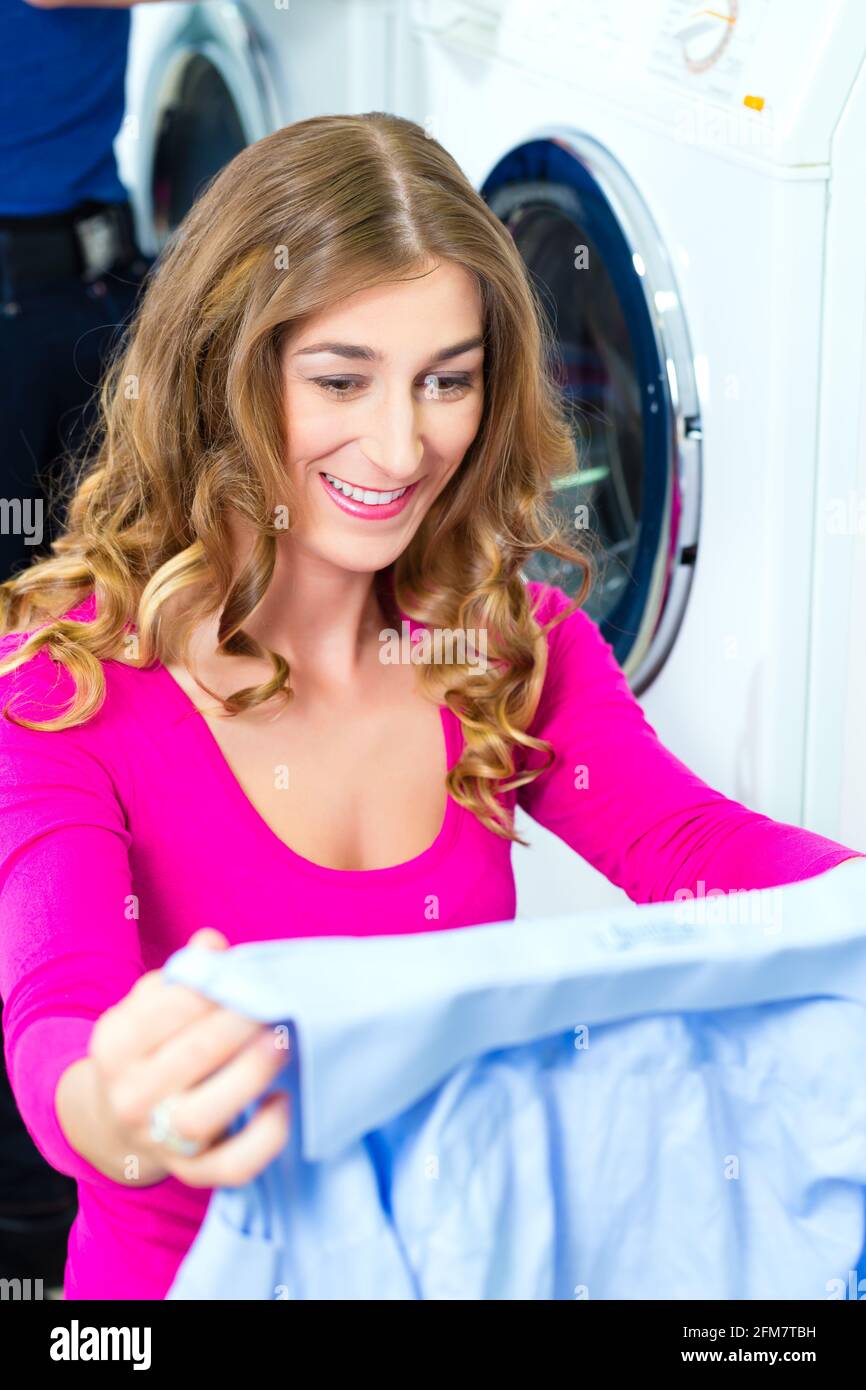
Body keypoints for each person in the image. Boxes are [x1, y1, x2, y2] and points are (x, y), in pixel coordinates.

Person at [0, 112, 861, 1301]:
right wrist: (116, 1101)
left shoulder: (502, 646)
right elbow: (60, 1023)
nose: (402, 446)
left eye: (446, 380)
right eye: (341, 378)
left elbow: (689, 846)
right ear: (223, 371)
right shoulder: (68, 684)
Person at [0, 0, 184, 1289]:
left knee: (96, 684)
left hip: (88, 284)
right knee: (37, 701)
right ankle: (36, 1185)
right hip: (21, 309)